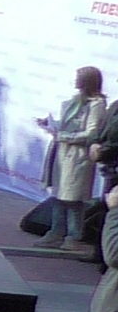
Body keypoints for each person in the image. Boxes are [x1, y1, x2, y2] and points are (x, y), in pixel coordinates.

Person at [36, 66, 106, 249]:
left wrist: (64, 136)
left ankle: (73, 237)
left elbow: (91, 133)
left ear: (88, 81)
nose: (75, 80)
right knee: (58, 196)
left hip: (77, 157)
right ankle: (55, 232)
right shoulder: (75, 100)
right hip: (62, 155)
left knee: (73, 199)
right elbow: (68, 124)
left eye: (78, 77)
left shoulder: (96, 104)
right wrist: (50, 123)